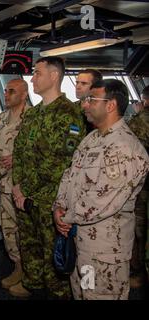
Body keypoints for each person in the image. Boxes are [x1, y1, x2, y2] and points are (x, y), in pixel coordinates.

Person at [53, 79, 149, 300]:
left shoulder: (126, 148)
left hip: (104, 254)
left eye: (91, 100)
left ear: (111, 105)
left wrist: (65, 217)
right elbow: (70, 175)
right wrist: (58, 205)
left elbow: (102, 201)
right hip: (82, 249)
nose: (84, 105)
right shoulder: (92, 139)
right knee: (84, 293)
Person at [11, 57, 86, 299]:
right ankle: (31, 285)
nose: (32, 78)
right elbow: (19, 151)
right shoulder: (33, 114)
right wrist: (18, 187)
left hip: (51, 201)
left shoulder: (69, 114)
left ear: (54, 76)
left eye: (37, 73)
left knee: (54, 260)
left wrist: (26, 190)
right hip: (26, 198)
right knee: (30, 250)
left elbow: (61, 162)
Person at [0, 79, 30, 290]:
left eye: (11, 91)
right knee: (8, 228)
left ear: (24, 95)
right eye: (5, 91)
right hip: (5, 183)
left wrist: (18, 157)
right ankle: (18, 267)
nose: (6, 94)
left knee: (25, 231)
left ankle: (29, 276)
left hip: (23, 186)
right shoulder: (2, 117)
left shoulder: (32, 118)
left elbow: (41, 152)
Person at [127, 85, 149, 288]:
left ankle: (140, 273)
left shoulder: (142, 120)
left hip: (143, 187)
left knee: (140, 230)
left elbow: (134, 151)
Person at [75, 69, 103, 134]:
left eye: (84, 83)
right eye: (77, 82)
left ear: (96, 87)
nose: (78, 87)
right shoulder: (70, 108)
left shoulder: (102, 111)